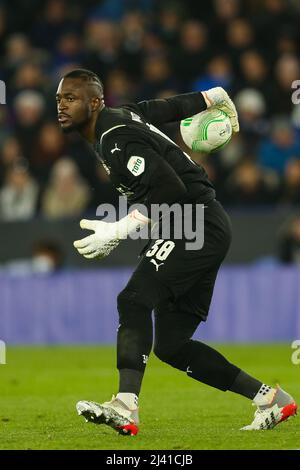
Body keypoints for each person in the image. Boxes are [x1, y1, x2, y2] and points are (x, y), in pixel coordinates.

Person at [56, 68, 297, 435]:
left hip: (195, 224)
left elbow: (171, 189)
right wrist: (211, 96)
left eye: (70, 98)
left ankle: (125, 405)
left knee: (134, 300)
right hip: (198, 224)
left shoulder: (115, 137)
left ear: (94, 102)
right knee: (171, 344)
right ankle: (269, 398)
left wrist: (122, 228)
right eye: (59, 98)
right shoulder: (123, 116)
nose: (61, 105)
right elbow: (166, 108)